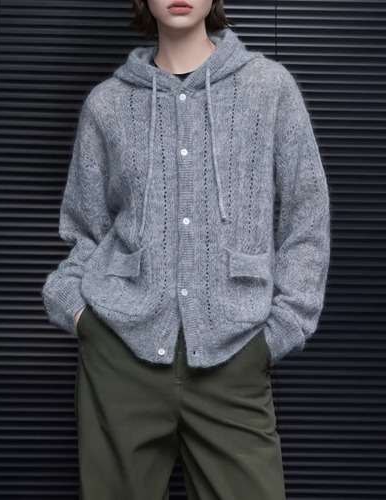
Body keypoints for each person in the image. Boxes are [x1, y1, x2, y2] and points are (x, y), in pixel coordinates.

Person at [41, 0, 331, 498]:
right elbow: (85, 229)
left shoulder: (268, 88)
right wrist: (77, 311)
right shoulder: (107, 104)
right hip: (120, 358)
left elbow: (307, 217)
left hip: (234, 359)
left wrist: (281, 331)